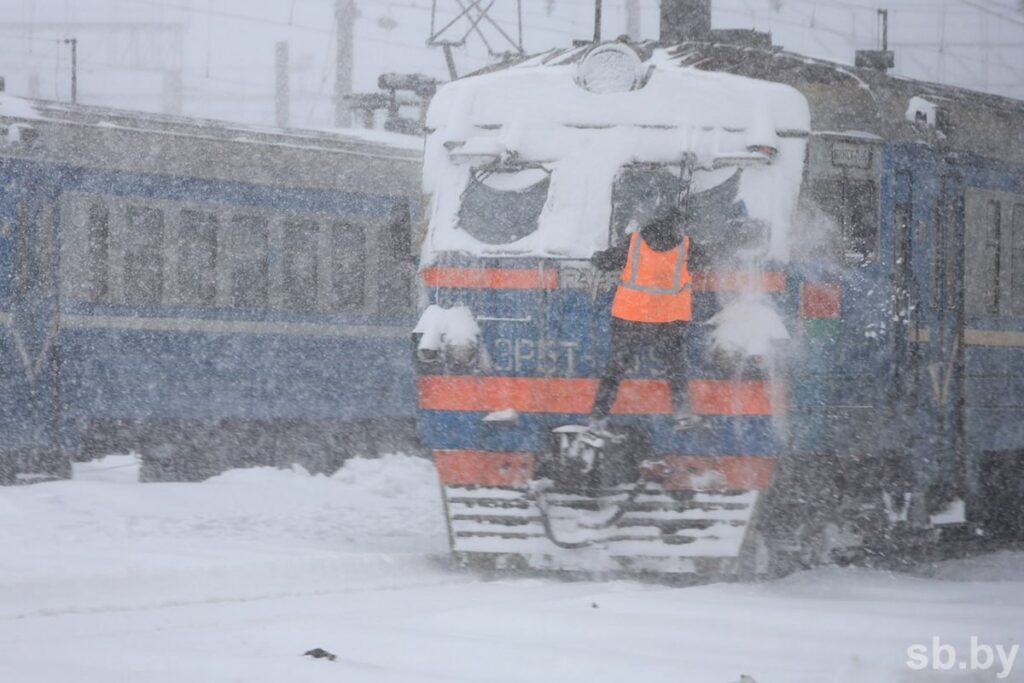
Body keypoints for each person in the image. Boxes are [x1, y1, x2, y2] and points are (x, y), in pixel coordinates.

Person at [586, 205, 703, 436]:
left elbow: (606, 261)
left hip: (630, 319)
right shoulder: (686, 247)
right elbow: (707, 259)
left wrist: (597, 257)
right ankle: (682, 414)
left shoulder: (635, 242)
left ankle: (597, 420)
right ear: (677, 224)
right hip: (668, 321)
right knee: (676, 370)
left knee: (614, 371)